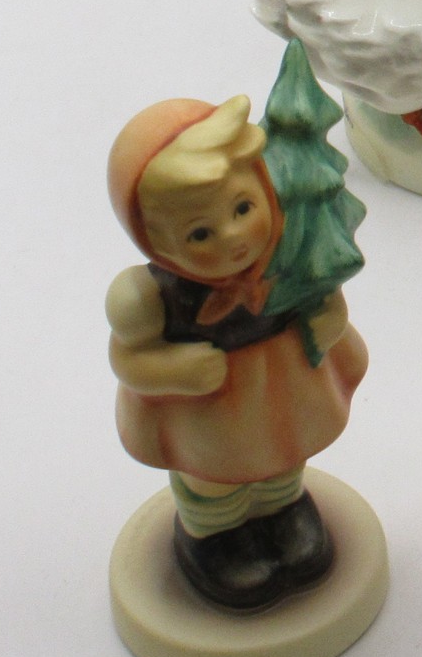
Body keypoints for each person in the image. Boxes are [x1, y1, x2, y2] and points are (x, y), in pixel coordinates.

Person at [104, 79, 367, 611]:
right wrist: (172, 369)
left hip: (280, 391)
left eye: (243, 208)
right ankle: (213, 537)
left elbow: (325, 298)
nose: (232, 237)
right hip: (210, 412)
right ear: (152, 237)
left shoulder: (288, 258)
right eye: (200, 234)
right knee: (214, 480)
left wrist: (329, 318)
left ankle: (283, 511)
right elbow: (127, 358)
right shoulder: (144, 297)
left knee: (283, 458)